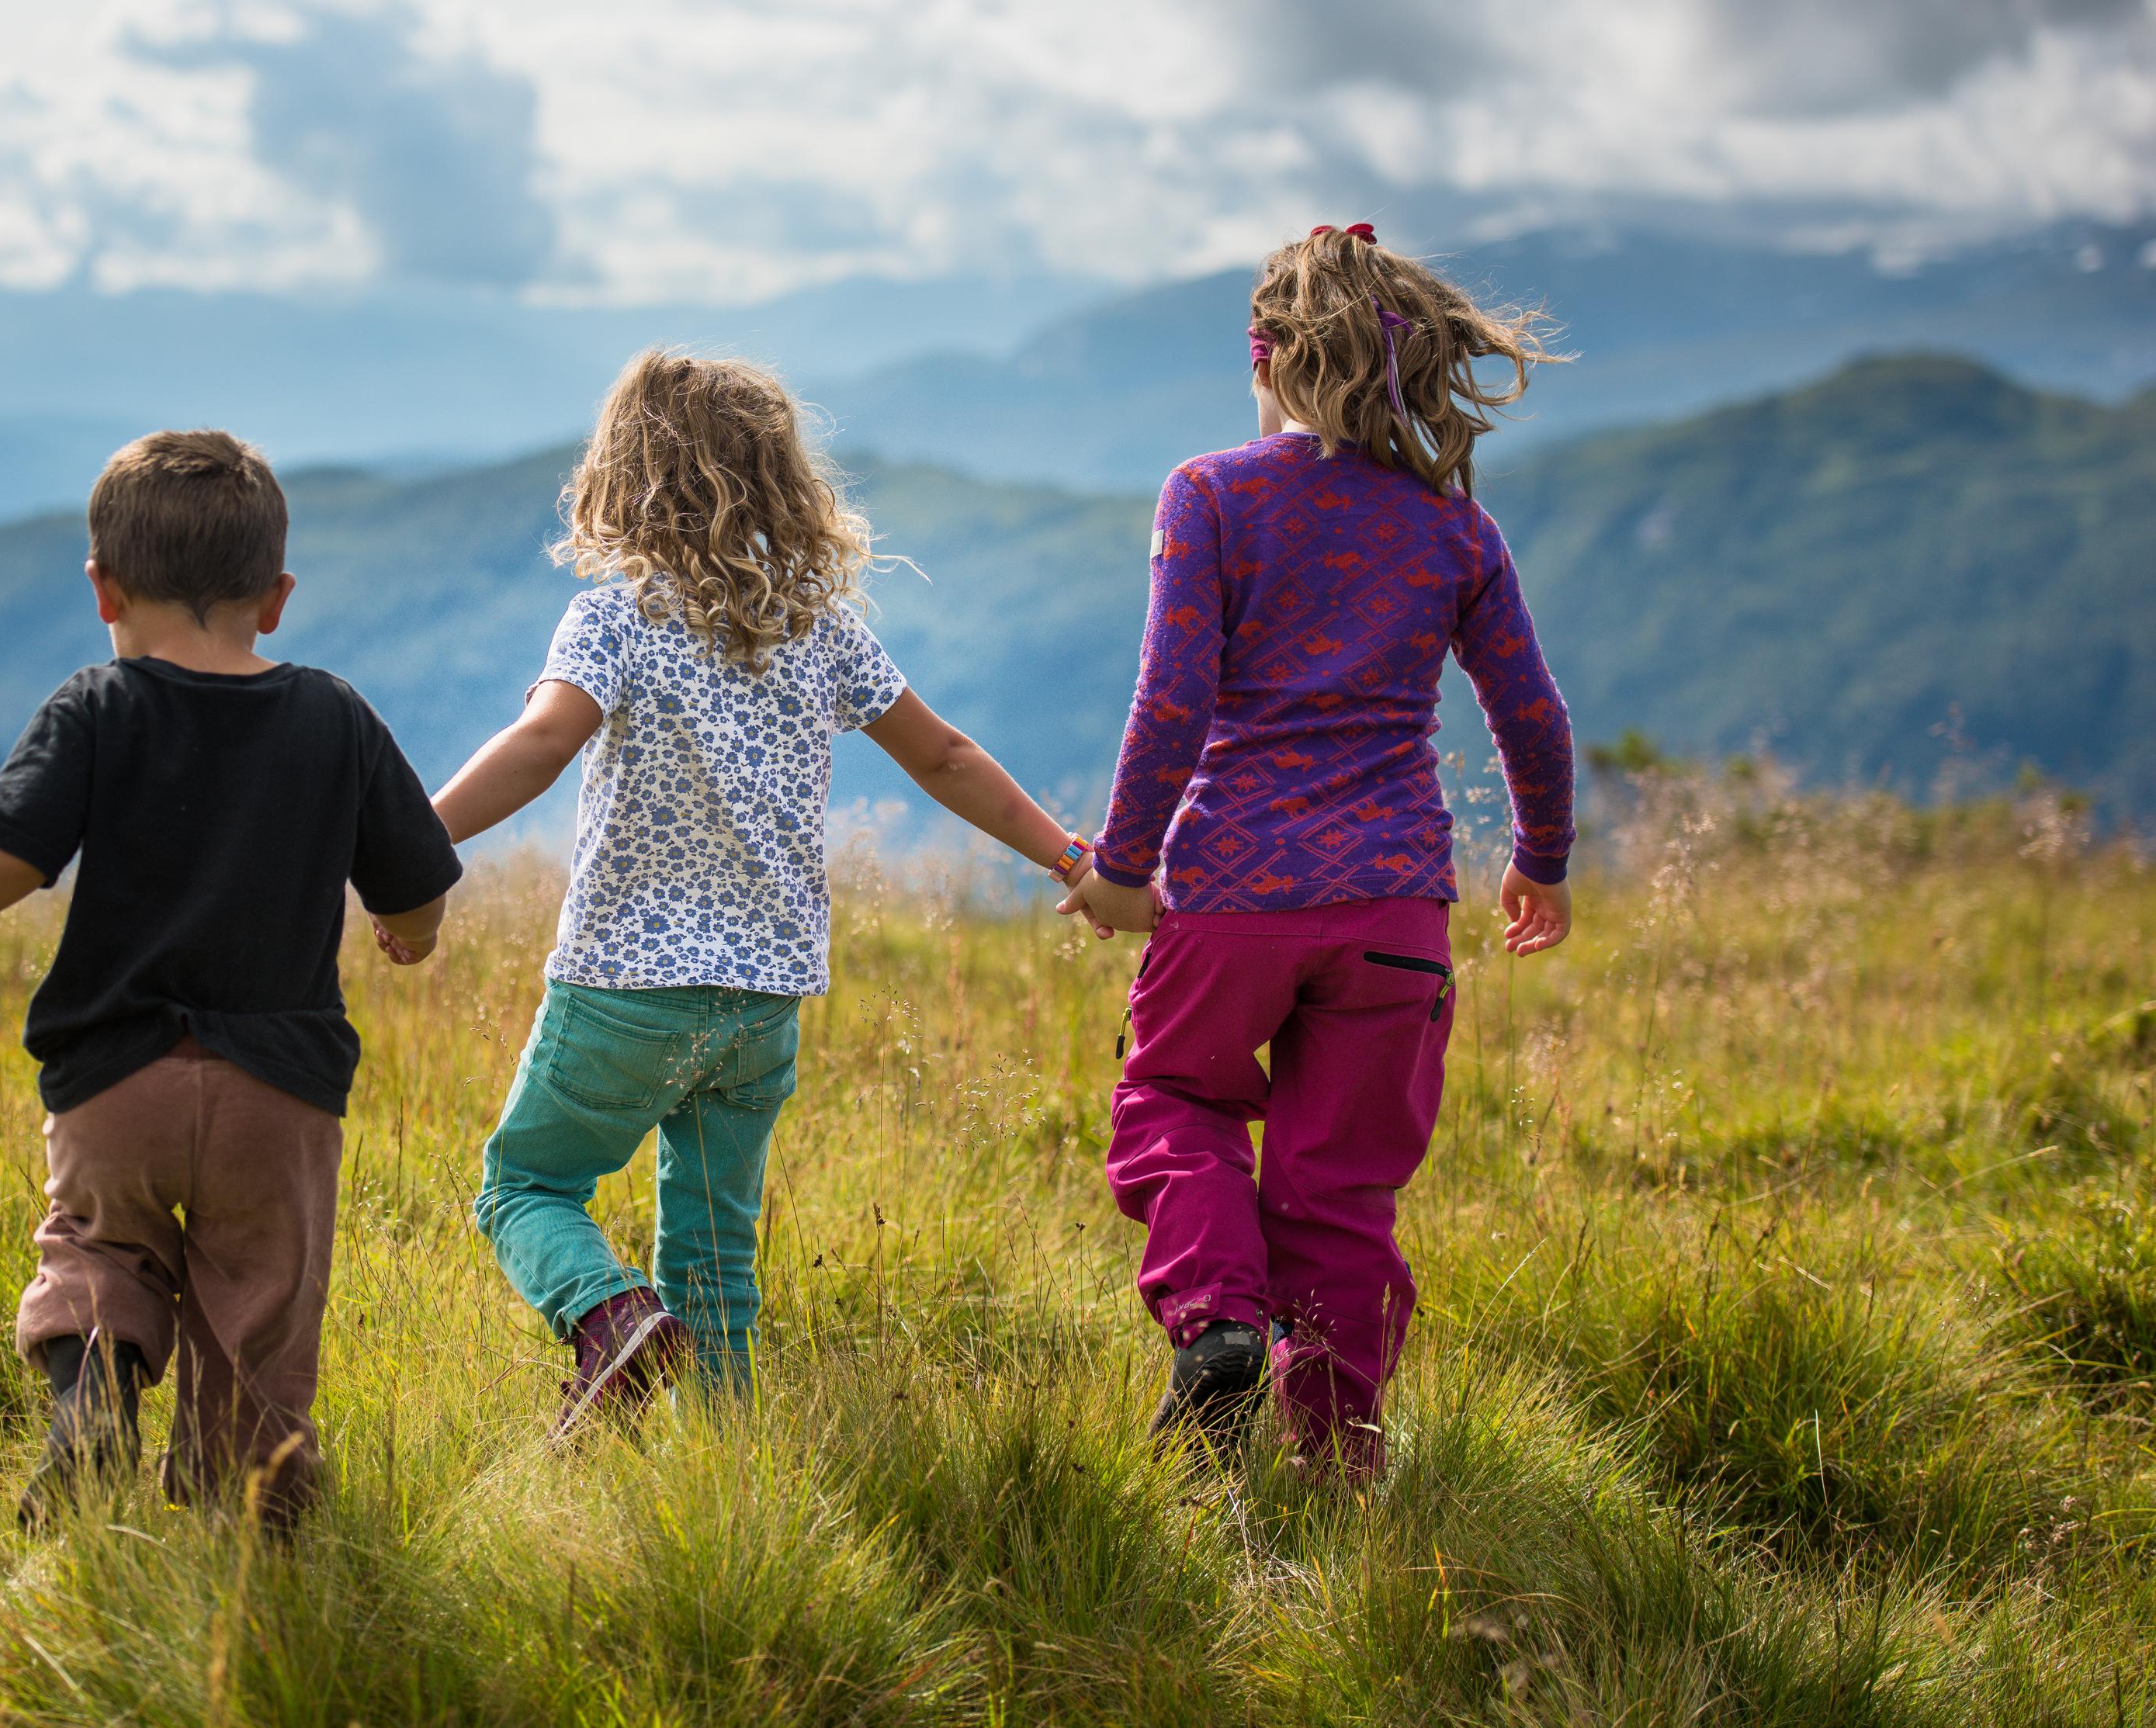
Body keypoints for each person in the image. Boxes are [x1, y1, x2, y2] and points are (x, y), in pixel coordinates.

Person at [430, 350, 1094, 1439]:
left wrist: (410, 840)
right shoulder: (819, 628)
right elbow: (947, 758)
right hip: (761, 1003)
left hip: (625, 987)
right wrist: (1072, 860)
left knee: (525, 1187)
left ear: (624, 478)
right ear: (784, 484)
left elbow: (543, 742)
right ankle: (726, 1475)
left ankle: (606, 1316)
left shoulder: (614, 620)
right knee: (715, 1250)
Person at [1060, 222, 1576, 1473]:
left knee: (1173, 1098)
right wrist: (1542, 859)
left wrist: (1124, 866)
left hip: (1233, 889)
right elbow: (1532, 713)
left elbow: (1171, 702)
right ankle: (1337, 1456)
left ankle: (1218, 1324)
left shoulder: (1212, 495)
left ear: (1270, 358)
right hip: (1395, 902)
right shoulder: (1455, 528)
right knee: (1341, 1189)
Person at [0, 429, 460, 1529]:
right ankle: (252, 1501)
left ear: (104, 588)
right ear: (276, 598)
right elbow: (416, 879)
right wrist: (411, 934)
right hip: (277, 1090)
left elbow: (6, 856)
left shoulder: (96, 707)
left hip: (115, 1073)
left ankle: (93, 1393)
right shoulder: (334, 714)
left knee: (97, 1246)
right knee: (259, 1304)